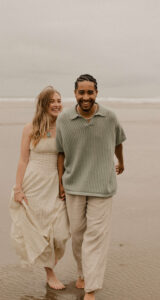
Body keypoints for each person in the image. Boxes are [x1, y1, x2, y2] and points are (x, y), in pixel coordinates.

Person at [56, 74, 126, 300]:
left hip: (102, 187)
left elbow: (118, 141)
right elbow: (60, 153)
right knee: (77, 236)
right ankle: (82, 273)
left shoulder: (110, 116)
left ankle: (91, 289)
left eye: (90, 92)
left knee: (95, 237)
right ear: (75, 93)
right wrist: (60, 183)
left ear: (97, 93)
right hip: (74, 185)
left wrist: (121, 162)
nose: (86, 97)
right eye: (81, 92)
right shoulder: (64, 119)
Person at [9, 86, 70, 290]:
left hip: (55, 181)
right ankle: (50, 274)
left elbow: (67, 158)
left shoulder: (64, 126)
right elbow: (23, 160)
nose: (57, 104)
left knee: (60, 233)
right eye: (52, 100)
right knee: (40, 230)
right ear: (43, 104)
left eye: (59, 100)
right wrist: (18, 188)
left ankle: (50, 261)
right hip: (33, 182)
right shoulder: (30, 128)